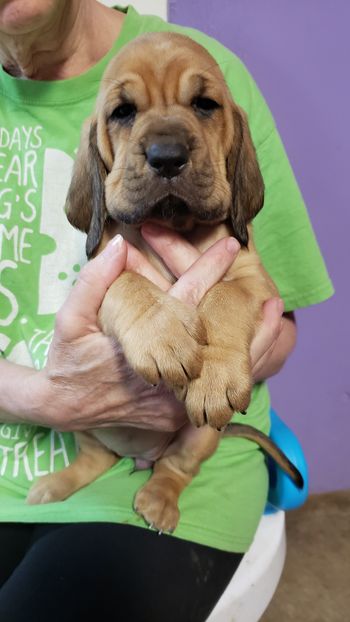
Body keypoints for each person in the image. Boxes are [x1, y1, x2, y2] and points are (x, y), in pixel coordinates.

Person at [0, 1, 333, 621]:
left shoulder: (219, 70)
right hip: (53, 445)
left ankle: (172, 475)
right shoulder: (109, 218)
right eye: (125, 114)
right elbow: (111, 285)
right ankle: (94, 460)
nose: (164, 143)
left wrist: (236, 343)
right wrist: (54, 396)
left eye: (201, 106)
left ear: (230, 135)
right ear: (100, 149)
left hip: (199, 457)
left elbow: (266, 309)